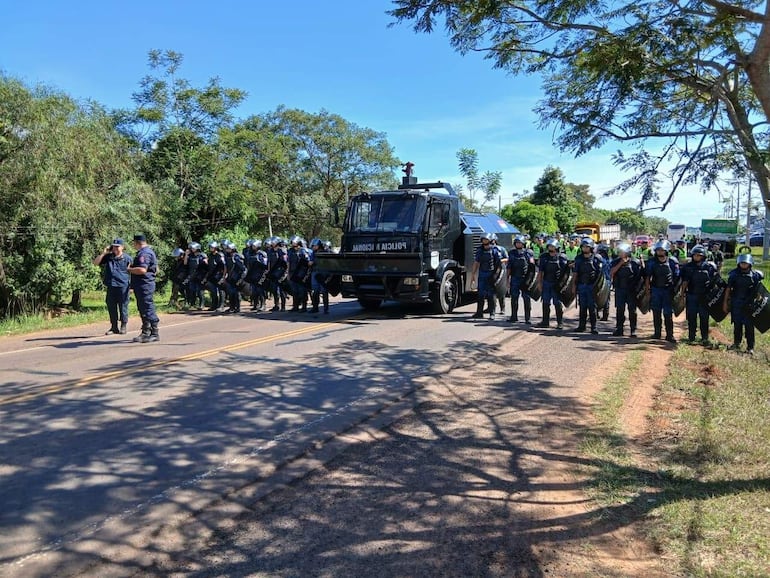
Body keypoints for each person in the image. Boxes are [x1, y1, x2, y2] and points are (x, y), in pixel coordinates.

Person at [724, 253, 764, 355]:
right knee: (737, 324)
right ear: (738, 263)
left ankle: (750, 347)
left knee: (749, 326)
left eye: (745, 263)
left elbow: (760, 290)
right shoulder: (733, 275)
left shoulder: (755, 275)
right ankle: (736, 343)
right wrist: (725, 302)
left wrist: (759, 302)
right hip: (737, 303)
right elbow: (728, 289)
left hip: (749, 304)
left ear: (750, 263)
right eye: (742, 263)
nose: (743, 265)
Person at [680, 244, 721, 345]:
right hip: (692, 295)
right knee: (691, 317)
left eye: (699, 255)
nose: (697, 257)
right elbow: (684, 281)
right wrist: (682, 294)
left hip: (705, 296)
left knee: (704, 317)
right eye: (695, 255)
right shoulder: (688, 267)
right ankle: (691, 337)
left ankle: (704, 338)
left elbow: (716, 281)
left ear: (703, 256)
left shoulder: (710, 267)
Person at [93, 238, 132, 335]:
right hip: (111, 285)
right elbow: (95, 263)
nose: (115, 248)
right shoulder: (109, 257)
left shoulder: (128, 258)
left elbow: (133, 273)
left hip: (123, 286)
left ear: (122, 247)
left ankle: (123, 325)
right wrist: (104, 253)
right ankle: (114, 327)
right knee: (111, 306)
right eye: (114, 246)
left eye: (117, 247)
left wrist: (132, 287)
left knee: (123, 306)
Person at [645, 240, 680, 342]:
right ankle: (657, 333)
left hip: (668, 291)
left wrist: (676, 291)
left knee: (668, 313)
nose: (660, 252)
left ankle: (670, 335)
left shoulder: (672, 261)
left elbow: (677, 276)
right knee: (656, 312)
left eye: (662, 250)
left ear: (666, 251)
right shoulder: (651, 262)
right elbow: (647, 277)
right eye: (658, 250)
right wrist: (647, 291)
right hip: (656, 290)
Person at [127, 234, 159, 343]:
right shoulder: (144, 252)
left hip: (145, 285)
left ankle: (154, 333)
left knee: (148, 308)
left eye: (134, 243)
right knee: (142, 308)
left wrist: (129, 269)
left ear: (137, 243)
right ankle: (146, 332)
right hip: (141, 285)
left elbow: (142, 270)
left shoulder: (145, 253)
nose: (133, 245)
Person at [571, 237, 603, 334]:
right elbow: (575, 273)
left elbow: (601, 274)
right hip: (582, 286)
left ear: (591, 248)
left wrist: (599, 288)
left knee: (592, 307)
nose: (585, 248)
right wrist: (573, 285)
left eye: (587, 247)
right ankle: (582, 326)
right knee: (583, 307)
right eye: (583, 247)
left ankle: (594, 327)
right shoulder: (578, 258)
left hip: (592, 286)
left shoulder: (597, 258)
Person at [609, 242, 643, 337]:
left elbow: (639, 277)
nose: (620, 253)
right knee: (620, 310)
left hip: (631, 290)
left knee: (632, 310)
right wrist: (620, 263)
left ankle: (633, 330)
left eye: (622, 252)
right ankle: (619, 329)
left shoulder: (635, 262)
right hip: (619, 289)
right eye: (619, 251)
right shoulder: (615, 261)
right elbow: (611, 272)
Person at [536, 238, 568, 329]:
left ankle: (560, 322)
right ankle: (545, 322)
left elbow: (565, 272)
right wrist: (539, 283)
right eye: (549, 246)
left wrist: (564, 285)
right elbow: (540, 271)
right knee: (545, 302)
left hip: (557, 284)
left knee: (557, 303)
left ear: (556, 247)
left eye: (552, 246)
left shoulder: (561, 257)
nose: (551, 248)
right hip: (546, 282)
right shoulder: (544, 257)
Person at [470, 232, 502, 320]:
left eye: (486, 239)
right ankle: (479, 312)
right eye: (483, 239)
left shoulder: (495, 250)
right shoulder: (480, 250)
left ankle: (492, 313)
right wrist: (473, 274)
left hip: (491, 274)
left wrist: (496, 276)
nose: (484, 241)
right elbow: (476, 262)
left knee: (491, 295)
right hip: (482, 274)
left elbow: (499, 264)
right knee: (480, 294)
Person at [506, 234, 535, 324]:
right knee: (514, 298)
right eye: (517, 243)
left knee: (526, 298)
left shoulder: (528, 253)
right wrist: (507, 279)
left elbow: (532, 267)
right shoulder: (511, 253)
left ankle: (528, 318)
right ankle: (514, 316)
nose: (518, 244)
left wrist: (531, 279)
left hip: (525, 279)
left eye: (520, 243)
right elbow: (509, 267)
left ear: (523, 243)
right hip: (515, 278)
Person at [308, 238, 330, 314]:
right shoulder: (314, 253)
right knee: (315, 291)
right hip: (316, 272)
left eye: (314, 246)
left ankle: (325, 309)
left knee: (324, 291)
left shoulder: (325, 252)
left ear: (318, 245)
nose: (313, 247)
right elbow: (310, 263)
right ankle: (316, 308)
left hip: (322, 273)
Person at [184, 242, 207, 310]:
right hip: (191, 275)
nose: (192, 249)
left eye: (193, 248)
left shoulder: (202, 255)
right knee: (192, 290)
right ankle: (192, 304)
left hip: (200, 275)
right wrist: (186, 255)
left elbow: (206, 265)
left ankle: (202, 304)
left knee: (200, 291)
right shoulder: (190, 256)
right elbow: (185, 263)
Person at [204, 241, 227, 311]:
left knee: (221, 290)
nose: (210, 248)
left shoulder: (220, 255)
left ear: (215, 248)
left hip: (219, 275)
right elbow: (209, 266)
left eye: (212, 247)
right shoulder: (210, 255)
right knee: (213, 291)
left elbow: (224, 266)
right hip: (212, 275)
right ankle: (214, 305)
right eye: (210, 247)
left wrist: (224, 276)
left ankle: (221, 305)